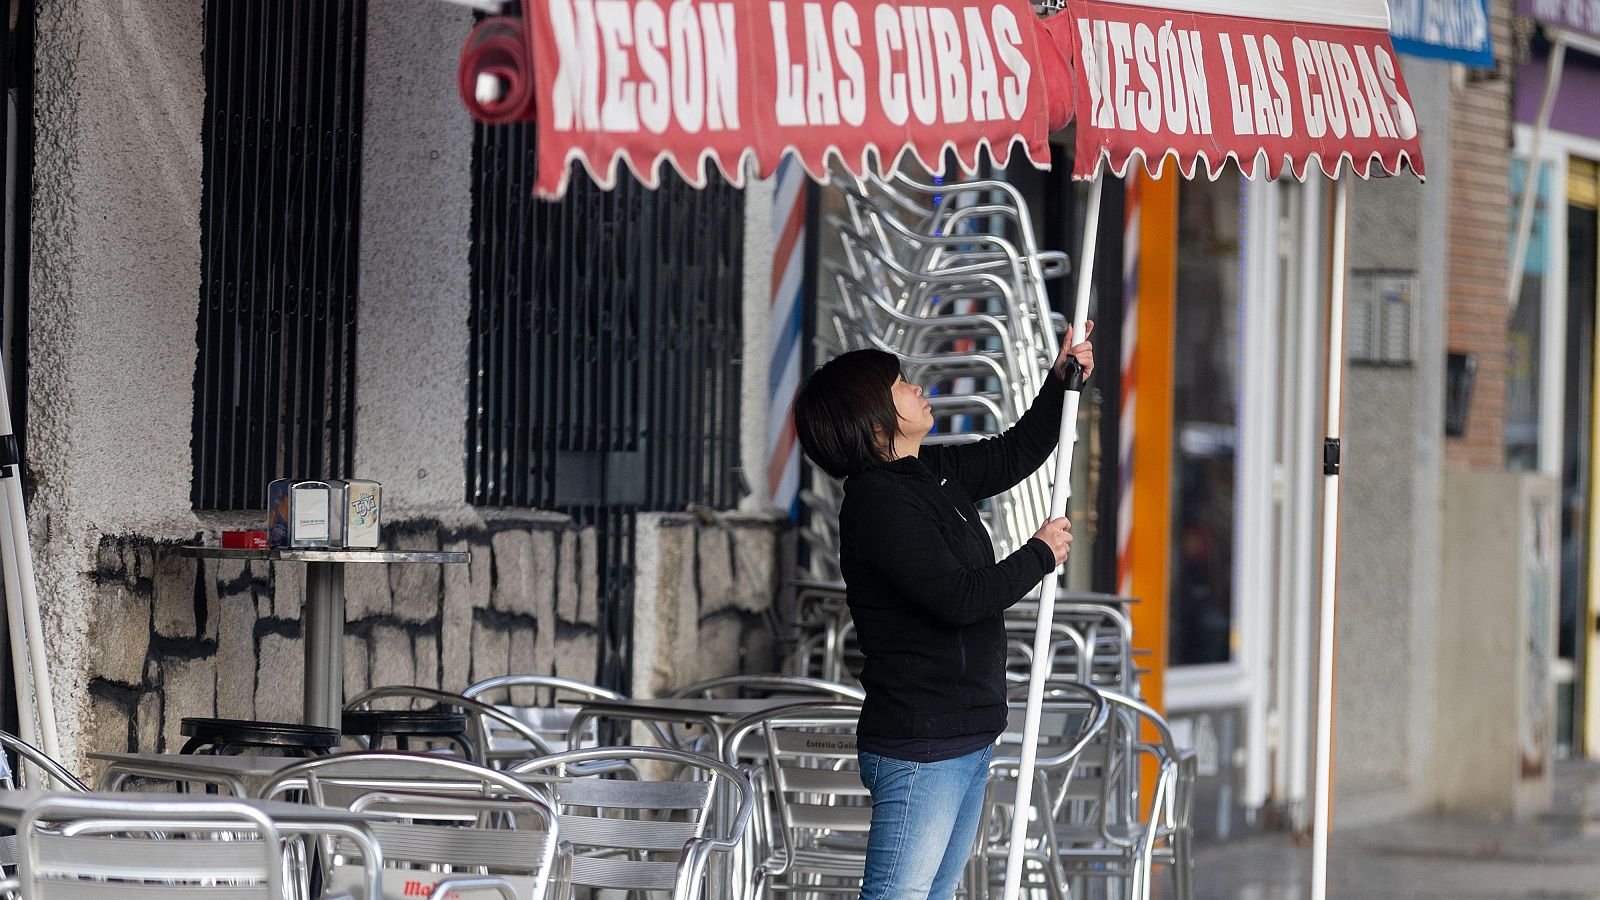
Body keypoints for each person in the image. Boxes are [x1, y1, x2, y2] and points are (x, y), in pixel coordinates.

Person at [792, 324, 1094, 900]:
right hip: (921, 744)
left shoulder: (931, 473)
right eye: (900, 385)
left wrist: (1061, 384)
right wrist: (1039, 554)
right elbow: (960, 598)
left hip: (966, 732)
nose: (917, 388)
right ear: (874, 421)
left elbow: (1016, 450)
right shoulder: (878, 503)